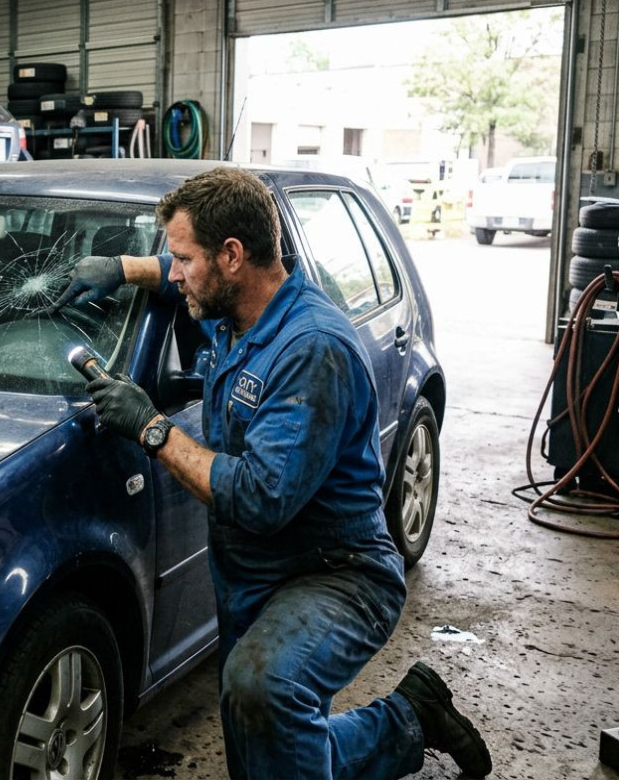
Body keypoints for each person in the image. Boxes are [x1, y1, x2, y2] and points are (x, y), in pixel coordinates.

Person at [51, 167, 492, 779]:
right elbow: (182, 286)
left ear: (232, 255)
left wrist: (153, 428)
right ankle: (413, 718)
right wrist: (122, 269)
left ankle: (402, 723)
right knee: (266, 757)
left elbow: (260, 497)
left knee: (264, 689)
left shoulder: (311, 349)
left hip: (335, 575)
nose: (174, 273)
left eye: (181, 258)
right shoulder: (242, 304)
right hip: (253, 573)